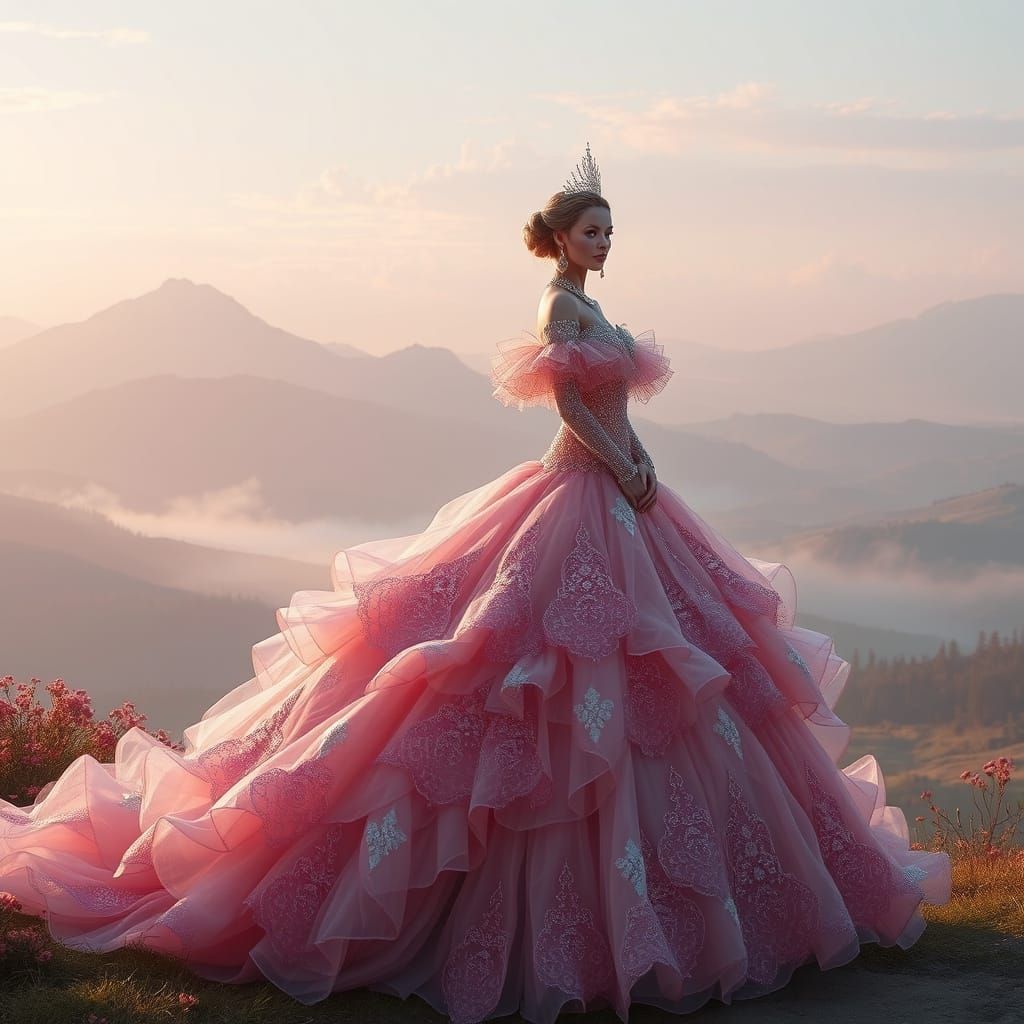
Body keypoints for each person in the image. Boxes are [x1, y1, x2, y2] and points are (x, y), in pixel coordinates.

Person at [0, 143, 951, 1024]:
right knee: (538, 673)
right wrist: (621, 469)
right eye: (592, 231)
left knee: (664, 679)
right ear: (558, 238)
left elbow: (610, 403)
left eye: (612, 232)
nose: (605, 244)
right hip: (580, 493)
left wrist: (641, 467)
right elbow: (574, 403)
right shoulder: (558, 308)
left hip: (626, 495)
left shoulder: (598, 309)